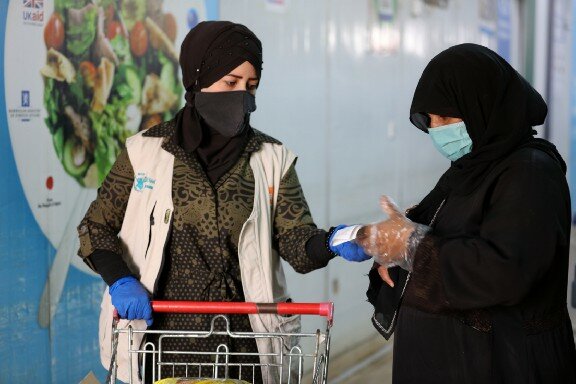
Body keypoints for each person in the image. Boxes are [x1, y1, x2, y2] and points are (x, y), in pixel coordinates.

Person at [76, 21, 369, 384]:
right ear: (198, 80)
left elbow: (295, 243)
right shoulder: (144, 153)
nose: (242, 97)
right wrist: (119, 280)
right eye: (230, 83)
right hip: (163, 345)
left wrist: (332, 242)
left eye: (251, 86)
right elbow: (95, 227)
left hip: (244, 347)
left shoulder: (271, 159)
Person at [355, 44, 576, 383]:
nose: (437, 129)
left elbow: (503, 270)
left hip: (504, 365)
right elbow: (434, 238)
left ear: (483, 105)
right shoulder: (469, 170)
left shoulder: (530, 173)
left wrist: (411, 246)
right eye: (430, 119)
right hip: (454, 360)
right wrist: (394, 253)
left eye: (446, 117)